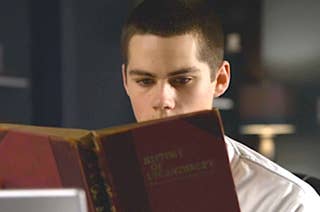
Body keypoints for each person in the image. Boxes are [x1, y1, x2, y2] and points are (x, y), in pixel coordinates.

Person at [120, 0, 320, 211]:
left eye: (182, 80)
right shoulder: (104, 185)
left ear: (221, 80)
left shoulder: (285, 202)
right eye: (144, 81)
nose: (163, 100)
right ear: (125, 81)